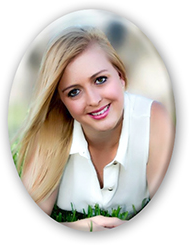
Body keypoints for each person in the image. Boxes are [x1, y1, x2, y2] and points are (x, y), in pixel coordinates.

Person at [15, 26, 175, 232]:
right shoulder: (49, 133)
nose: (93, 100)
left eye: (100, 80)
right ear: (61, 101)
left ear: (120, 76)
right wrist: (80, 228)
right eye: (74, 92)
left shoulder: (153, 119)